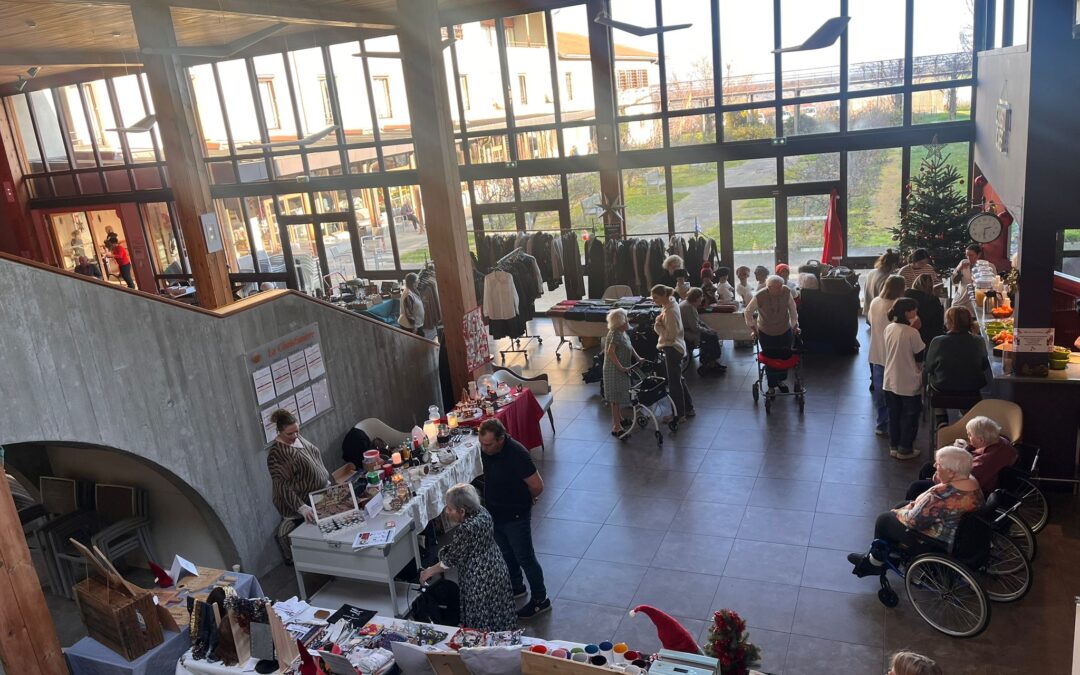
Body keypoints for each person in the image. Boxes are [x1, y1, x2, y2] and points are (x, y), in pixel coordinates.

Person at [848, 446, 983, 577]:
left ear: (951, 472)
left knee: (884, 520)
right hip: (959, 531)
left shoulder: (939, 496)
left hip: (935, 541)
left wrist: (898, 512)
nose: (935, 465)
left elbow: (913, 522)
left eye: (940, 465)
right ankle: (889, 554)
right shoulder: (972, 483)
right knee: (903, 504)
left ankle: (875, 562)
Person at [476, 418, 549, 619]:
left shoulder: (517, 454)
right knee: (506, 554)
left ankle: (540, 600)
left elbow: (537, 485)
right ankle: (517, 587)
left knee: (525, 557)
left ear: (501, 439)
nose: (484, 448)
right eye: (482, 443)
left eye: (488, 444)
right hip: (495, 512)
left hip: (516, 515)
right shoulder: (488, 450)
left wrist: (527, 498)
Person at [419, 483, 517, 631]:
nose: (446, 512)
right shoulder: (483, 512)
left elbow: (450, 560)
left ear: (462, 511)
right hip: (496, 567)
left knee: (480, 618)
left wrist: (428, 572)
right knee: (498, 610)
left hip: (478, 579)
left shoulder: (466, 529)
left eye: (450, 509)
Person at [266, 409, 330, 565]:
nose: (294, 436)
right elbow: (282, 486)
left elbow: (312, 457)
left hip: (318, 495)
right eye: (289, 434)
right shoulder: (277, 454)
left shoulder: (296, 438)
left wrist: (324, 481)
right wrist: (302, 508)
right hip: (302, 503)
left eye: (297, 431)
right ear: (279, 431)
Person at [906, 416, 1018, 498]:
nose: (968, 438)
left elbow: (960, 477)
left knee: (916, 487)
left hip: (966, 490)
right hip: (979, 476)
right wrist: (966, 447)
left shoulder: (984, 463)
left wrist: (936, 477)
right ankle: (926, 498)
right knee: (928, 467)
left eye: (970, 435)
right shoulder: (1001, 441)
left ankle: (920, 506)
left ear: (981, 440)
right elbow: (977, 451)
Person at [924, 307, 988, 424]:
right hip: (972, 388)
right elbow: (984, 366)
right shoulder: (979, 341)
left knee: (935, 388)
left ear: (949, 322)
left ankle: (941, 421)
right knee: (964, 387)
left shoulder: (938, 341)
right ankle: (967, 421)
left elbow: (929, 367)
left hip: (943, 387)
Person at [882, 297, 925, 460]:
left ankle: (894, 446)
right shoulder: (912, 332)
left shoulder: (889, 328)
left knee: (894, 415)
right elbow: (919, 353)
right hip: (908, 380)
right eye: (914, 309)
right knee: (910, 416)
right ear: (907, 312)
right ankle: (905, 449)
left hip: (890, 379)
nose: (916, 312)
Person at [745, 275, 799, 396]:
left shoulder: (786, 291)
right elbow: (748, 312)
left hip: (785, 329)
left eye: (781, 286)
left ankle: (780, 380)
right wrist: (753, 327)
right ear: (769, 287)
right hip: (766, 331)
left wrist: (795, 325)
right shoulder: (760, 295)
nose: (781, 289)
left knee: (784, 356)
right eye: (777, 287)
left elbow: (793, 309)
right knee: (771, 359)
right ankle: (771, 385)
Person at [868, 275, 906, 435]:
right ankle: (895, 424)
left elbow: (870, 321)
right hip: (894, 354)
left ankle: (881, 423)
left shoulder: (875, 301)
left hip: (877, 351)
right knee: (895, 391)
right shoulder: (897, 305)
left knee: (879, 390)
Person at [652, 284, 693, 419]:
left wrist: (657, 326)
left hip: (672, 348)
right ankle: (689, 408)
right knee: (678, 378)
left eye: (656, 298)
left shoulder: (670, 311)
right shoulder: (670, 304)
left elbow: (670, 335)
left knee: (674, 383)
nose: (654, 300)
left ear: (664, 295)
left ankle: (679, 414)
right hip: (678, 346)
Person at [603, 308, 639, 436]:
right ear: (620, 321)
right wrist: (620, 368)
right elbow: (610, 352)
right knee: (615, 399)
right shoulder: (615, 334)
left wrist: (638, 357)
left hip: (622, 368)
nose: (628, 320)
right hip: (614, 370)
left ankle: (620, 420)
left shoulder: (622, 332)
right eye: (625, 318)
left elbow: (629, 345)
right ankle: (616, 427)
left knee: (618, 396)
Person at [681, 288, 726, 373]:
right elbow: (695, 327)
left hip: (687, 330)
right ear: (696, 298)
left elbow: (697, 322)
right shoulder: (689, 308)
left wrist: (708, 328)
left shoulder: (686, 304)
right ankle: (712, 363)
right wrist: (708, 331)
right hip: (688, 333)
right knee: (712, 337)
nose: (702, 299)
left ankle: (711, 361)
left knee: (711, 334)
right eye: (701, 297)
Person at [904, 273, 945, 349]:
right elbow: (938, 322)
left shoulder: (906, 296)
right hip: (928, 336)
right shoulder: (933, 300)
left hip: (908, 333)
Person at [863, 249, 901, 316]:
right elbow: (888, 300)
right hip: (879, 315)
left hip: (868, 312)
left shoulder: (871, 272)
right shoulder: (888, 279)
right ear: (894, 264)